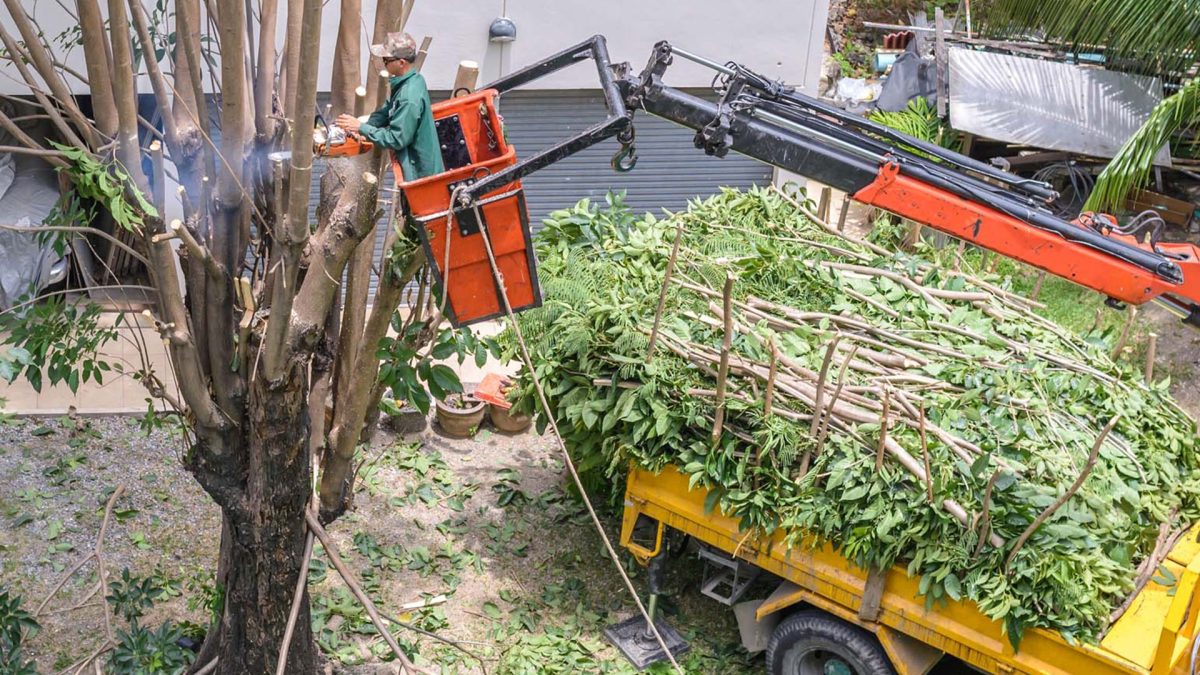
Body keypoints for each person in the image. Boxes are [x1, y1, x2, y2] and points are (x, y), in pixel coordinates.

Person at [335, 32, 444, 180]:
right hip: (413, 166)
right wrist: (364, 127)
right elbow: (387, 110)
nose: (383, 63)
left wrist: (362, 128)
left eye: (386, 59)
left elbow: (396, 139)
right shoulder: (410, 80)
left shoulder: (409, 96)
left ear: (401, 62)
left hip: (419, 174)